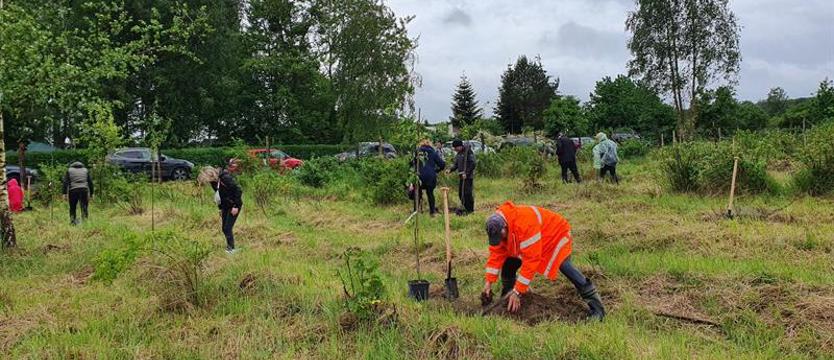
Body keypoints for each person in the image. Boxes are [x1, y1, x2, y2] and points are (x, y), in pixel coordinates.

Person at [480, 201, 605, 320]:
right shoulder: (498, 230)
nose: (500, 240)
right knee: (509, 265)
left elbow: (530, 261)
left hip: (555, 234)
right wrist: (488, 282)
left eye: (501, 236)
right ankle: (508, 298)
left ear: (506, 226)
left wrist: (518, 291)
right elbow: (496, 255)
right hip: (533, 239)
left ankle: (597, 308)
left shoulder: (525, 225)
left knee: (565, 266)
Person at [198, 164, 243, 254]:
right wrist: (220, 209)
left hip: (234, 205)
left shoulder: (225, 178)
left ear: (211, 175)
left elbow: (238, 190)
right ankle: (229, 247)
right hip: (225, 206)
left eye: (207, 179)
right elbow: (219, 196)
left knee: (227, 227)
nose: (207, 182)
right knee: (223, 228)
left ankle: (231, 249)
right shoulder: (213, 182)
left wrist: (235, 206)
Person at [413, 139, 446, 216]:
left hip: (419, 175)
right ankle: (432, 212)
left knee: (417, 193)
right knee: (430, 193)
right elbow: (442, 164)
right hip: (430, 176)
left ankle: (416, 211)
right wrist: (436, 170)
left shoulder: (417, 152)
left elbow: (411, 163)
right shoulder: (433, 152)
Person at [447, 139, 476, 215]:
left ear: (459, 146)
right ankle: (465, 207)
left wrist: (466, 173)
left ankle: (470, 210)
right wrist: (450, 170)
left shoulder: (468, 152)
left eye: (455, 148)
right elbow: (456, 164)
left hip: (468, 177)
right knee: (461, 194)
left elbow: (473, 164)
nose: (455, 150)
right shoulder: (459, 154)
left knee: (467, 194)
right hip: (461, 177)